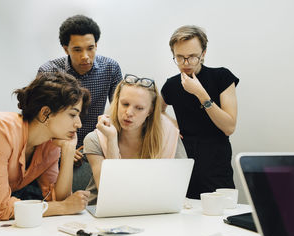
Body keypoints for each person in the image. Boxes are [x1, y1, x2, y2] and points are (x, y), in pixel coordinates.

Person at [0, 72, 91, 220]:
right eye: (72, 115)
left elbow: (57, 201)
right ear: (46, 113)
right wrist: (64, 207)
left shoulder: (50, 144)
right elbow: (1, 209)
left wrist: (69, 151)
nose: (79, 124)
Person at [161, 25, 239, 199]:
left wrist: (200, 93)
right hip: (184, 162)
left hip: (216, 162)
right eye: (179, 57)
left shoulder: (222, 77)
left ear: (203, 54)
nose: (186, 63)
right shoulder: (172, 85)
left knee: (220, 217)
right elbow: (156, 112)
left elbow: (229, 126)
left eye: (192, 57)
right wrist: (172, 125)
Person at [83, 74, 187, 203]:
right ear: (116, 102)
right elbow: (111, 193)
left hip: (152, 210)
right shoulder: (96, 139)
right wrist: (111, 139)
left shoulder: (168, 136)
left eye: (139, 108)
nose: (129, 113)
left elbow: (178, 188)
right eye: (125, 104)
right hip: (102, 214)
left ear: (150, 110)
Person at [38, 14, 122, 149]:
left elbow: (119, 111)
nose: (85, 57)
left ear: (96, 45)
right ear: (66, 49)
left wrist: (99, 143)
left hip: (97, 142)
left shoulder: (110, 68)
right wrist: (61, 147)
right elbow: (41, 118)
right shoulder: (49, 72)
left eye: (90, 48)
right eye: (77, 50)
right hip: (57, 144)